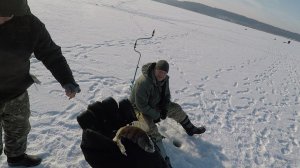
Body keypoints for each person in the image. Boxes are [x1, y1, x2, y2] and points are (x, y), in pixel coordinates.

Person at [0, 0, 80, 167]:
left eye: (7, 16)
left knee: (19, 129)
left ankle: (16, 158)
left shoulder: (30, 24)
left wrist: (67, 80)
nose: (2, 19)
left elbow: (51, 54)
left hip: (16, 92)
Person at [130, 60, 206, 166]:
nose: (161, 75)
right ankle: (163, 159)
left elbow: (166, 95)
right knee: (150, 128)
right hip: (139, 109)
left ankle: (190, 129)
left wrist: (165, 109)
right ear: (154, 70)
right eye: (159, 71)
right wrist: (156, 115)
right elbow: (141, 105)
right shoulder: (143, 82)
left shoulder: (165, 79)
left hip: (154, 104)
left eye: (164, 73)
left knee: (176, 108)